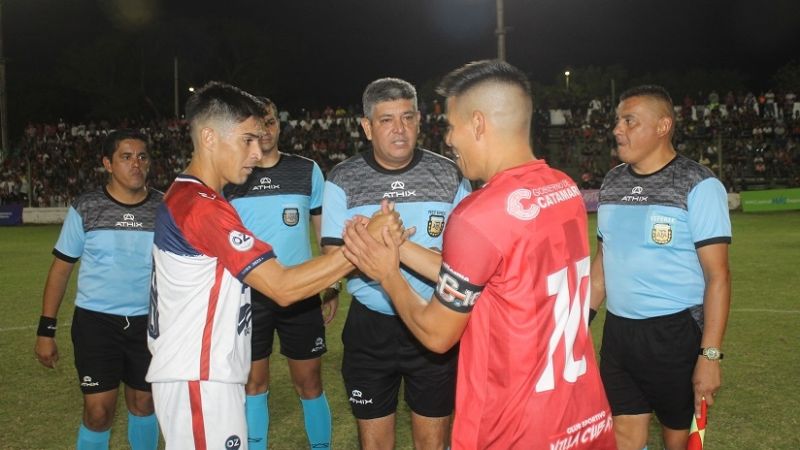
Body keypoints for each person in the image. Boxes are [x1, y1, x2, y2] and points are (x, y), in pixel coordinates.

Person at [339, 60, 616, 449]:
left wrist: (388, 274)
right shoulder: (563, 189)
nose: (448, 140)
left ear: (479, 124)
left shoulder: (479, 214)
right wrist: (398, 247)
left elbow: (437, 334)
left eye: (452, 126)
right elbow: (488, 275)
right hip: (580, 416)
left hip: (512, 426)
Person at [146, 81, 400, 450]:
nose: (257, 148)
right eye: (247, 139)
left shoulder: (191, 196)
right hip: (199, 378)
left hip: (202, 375)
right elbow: (281, 287)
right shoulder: (201, 207)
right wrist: (362, 246)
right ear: (209, 137)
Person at [320, 77, 471, 449]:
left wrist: (378, 247)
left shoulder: (450, 175)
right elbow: (331, 262)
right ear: (367, 127)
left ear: (419, 120)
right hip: (370, 328)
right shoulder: (342, 178)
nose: (399, 129)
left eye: (407, 117)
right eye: (386, 120)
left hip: (435, 321)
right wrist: (407, 251)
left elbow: (464, 264)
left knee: (433, 444)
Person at [589, 85, 732, 450]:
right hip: (619, 334)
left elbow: (718, 277)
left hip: (675, 333)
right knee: (623, 437)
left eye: (630, 121)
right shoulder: (613, 182)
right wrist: (579, 323)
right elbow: (604, 263)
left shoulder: (697, 184)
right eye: (618, 120)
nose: (618, 129)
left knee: (677, 439)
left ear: (662, 126)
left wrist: (709, 356)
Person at [35, 129, 161, 450]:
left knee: (145, 405)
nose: (136, 164)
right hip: (96, 325)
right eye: (126, 156)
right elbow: (61, 270)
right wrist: (45, 330)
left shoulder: (164, 207)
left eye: (142, 157)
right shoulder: (87, 206)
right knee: (98, 412)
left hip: (149, 325)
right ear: (108, 163)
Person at [224, 97, 336, 450]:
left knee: (310, 382)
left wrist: (330, 283)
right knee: (253, 384)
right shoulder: (232, 175)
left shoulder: (307, 170)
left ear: (279, 125)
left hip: (301, 293)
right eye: (258, 125)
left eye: (270, 122)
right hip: (248, 295)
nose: (265, 130)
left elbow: (325, 233)